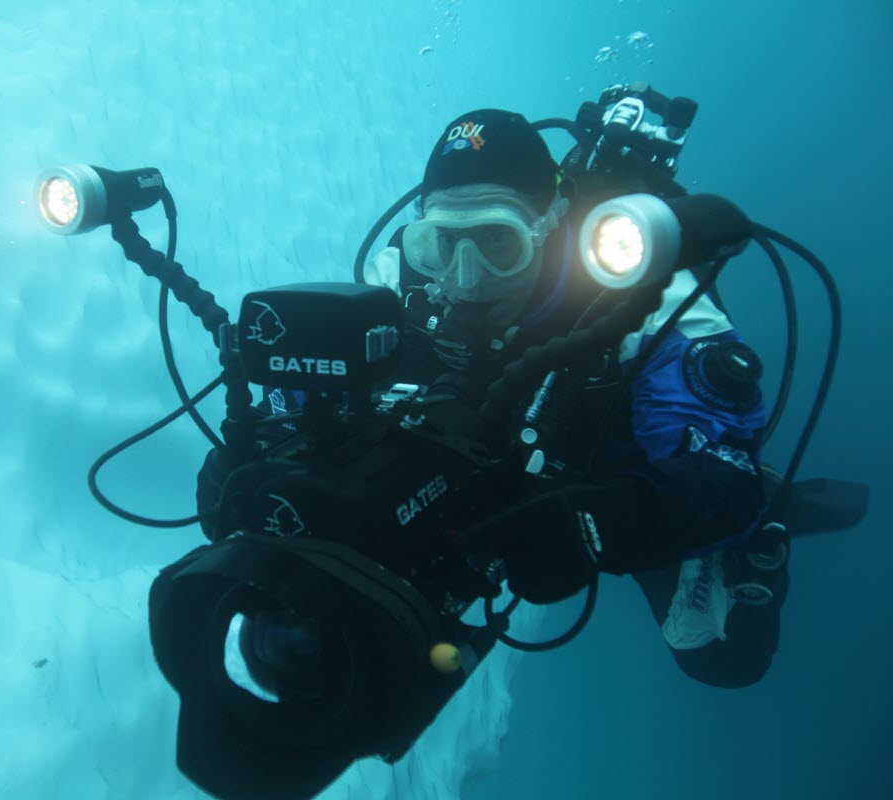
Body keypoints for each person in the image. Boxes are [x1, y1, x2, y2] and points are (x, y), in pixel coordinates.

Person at [201, 109, 790, 689]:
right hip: (466, 482)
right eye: (440, 245)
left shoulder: (646, 293)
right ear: (417, 234)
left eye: (497, 243)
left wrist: (600, 522)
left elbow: (728, 474)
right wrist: (255, 455)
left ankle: (759, 546)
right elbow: (296, 402)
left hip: (616, 473)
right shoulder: (395, 283)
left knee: (721, 657)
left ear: (552, 222)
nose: (465, 276)